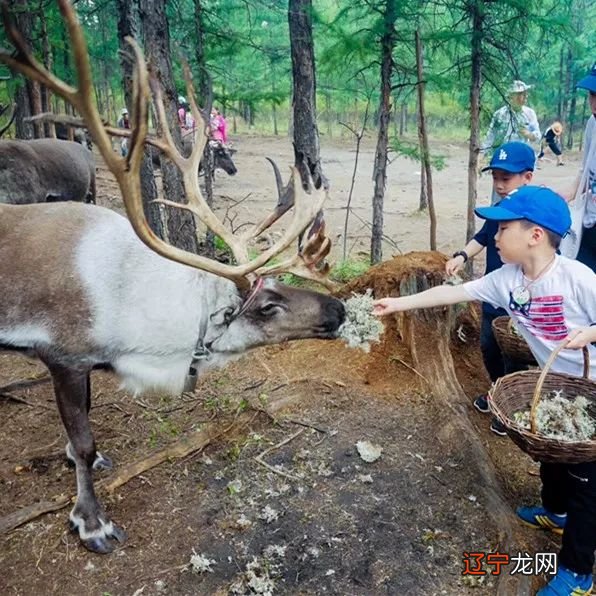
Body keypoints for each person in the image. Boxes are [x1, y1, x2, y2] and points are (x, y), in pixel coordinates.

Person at [373, 186, 596, 596]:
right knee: (552, 452)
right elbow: (453, 292)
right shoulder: (507, 280)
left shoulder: (578, 279)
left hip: (592, 392)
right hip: (556, 387)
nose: (493, 236)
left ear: (535, 235)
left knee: (588, 480)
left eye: (503, 226)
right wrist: (397, 304)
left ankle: (579, 570)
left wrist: (590, 333)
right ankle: (555, 511)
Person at [445, 141, 535, 436]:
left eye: (506, 178)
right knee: (488, 347)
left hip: (520, 304)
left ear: (527, 177)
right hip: (493, 297)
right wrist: (460, 255)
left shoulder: (535, 214)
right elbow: (482, 238)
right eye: (495, 177)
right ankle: (497, 390)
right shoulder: (498, 211)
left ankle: (511, 406)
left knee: (515, 355)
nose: (499, 184)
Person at [564, 63, 596, 272]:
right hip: (589, 224)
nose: (594, 103)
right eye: (592, 93)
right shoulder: (592, 124)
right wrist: (563, 195)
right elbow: (585, 173)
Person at [482, 80, 542, 154]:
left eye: (525, 93)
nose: (525, 96)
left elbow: (538, 136)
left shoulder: (530, 114)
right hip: (503, 154)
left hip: (522, 154)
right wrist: (483, 154)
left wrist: (529, 134)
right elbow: (491, 135)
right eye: (521, 94)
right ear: (511, 96)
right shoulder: (500, 114)